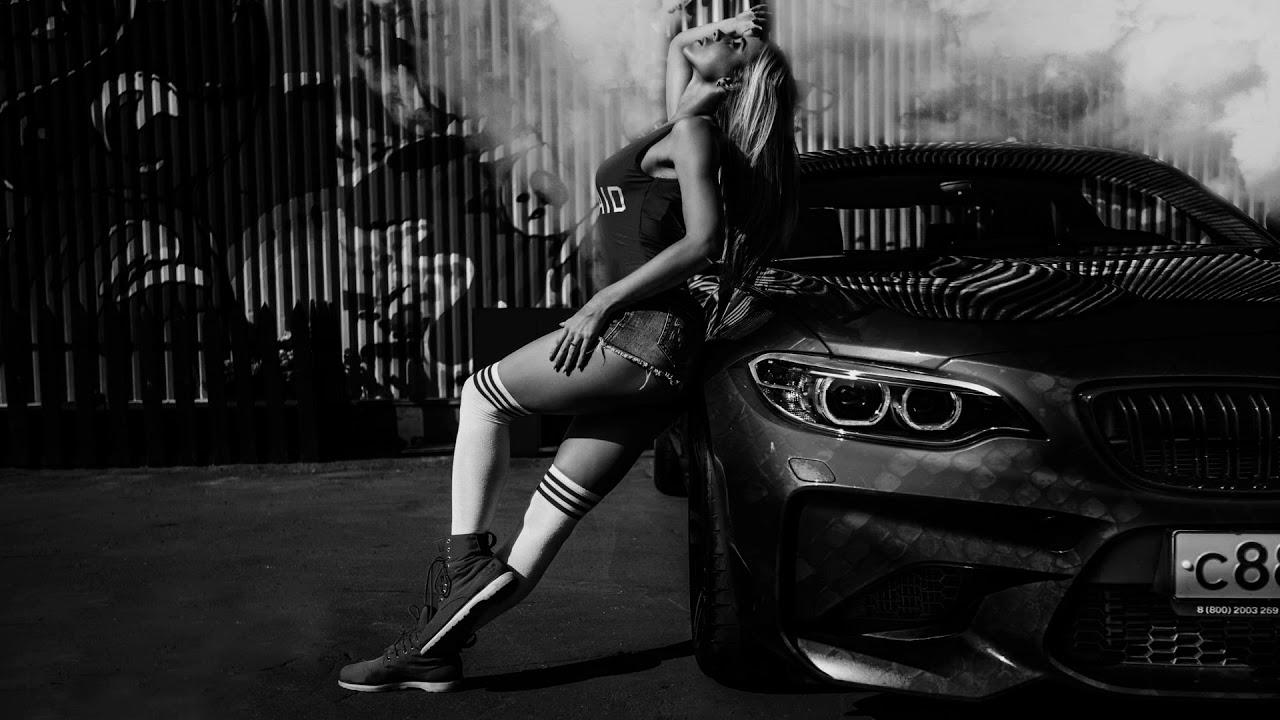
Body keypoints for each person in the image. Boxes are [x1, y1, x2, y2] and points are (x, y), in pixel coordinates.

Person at [339, 4, 797, 693]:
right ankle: (432, 651)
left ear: (733, 79)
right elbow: (682, 45)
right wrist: (730, 28)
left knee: (480, 396)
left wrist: (600, 303)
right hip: (661, 357)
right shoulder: (684, 121)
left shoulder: (695, 133)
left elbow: (703, 242)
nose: (718, 31)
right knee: (540, 527)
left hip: (642, 333)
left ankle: (462, 559)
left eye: (732, 40)